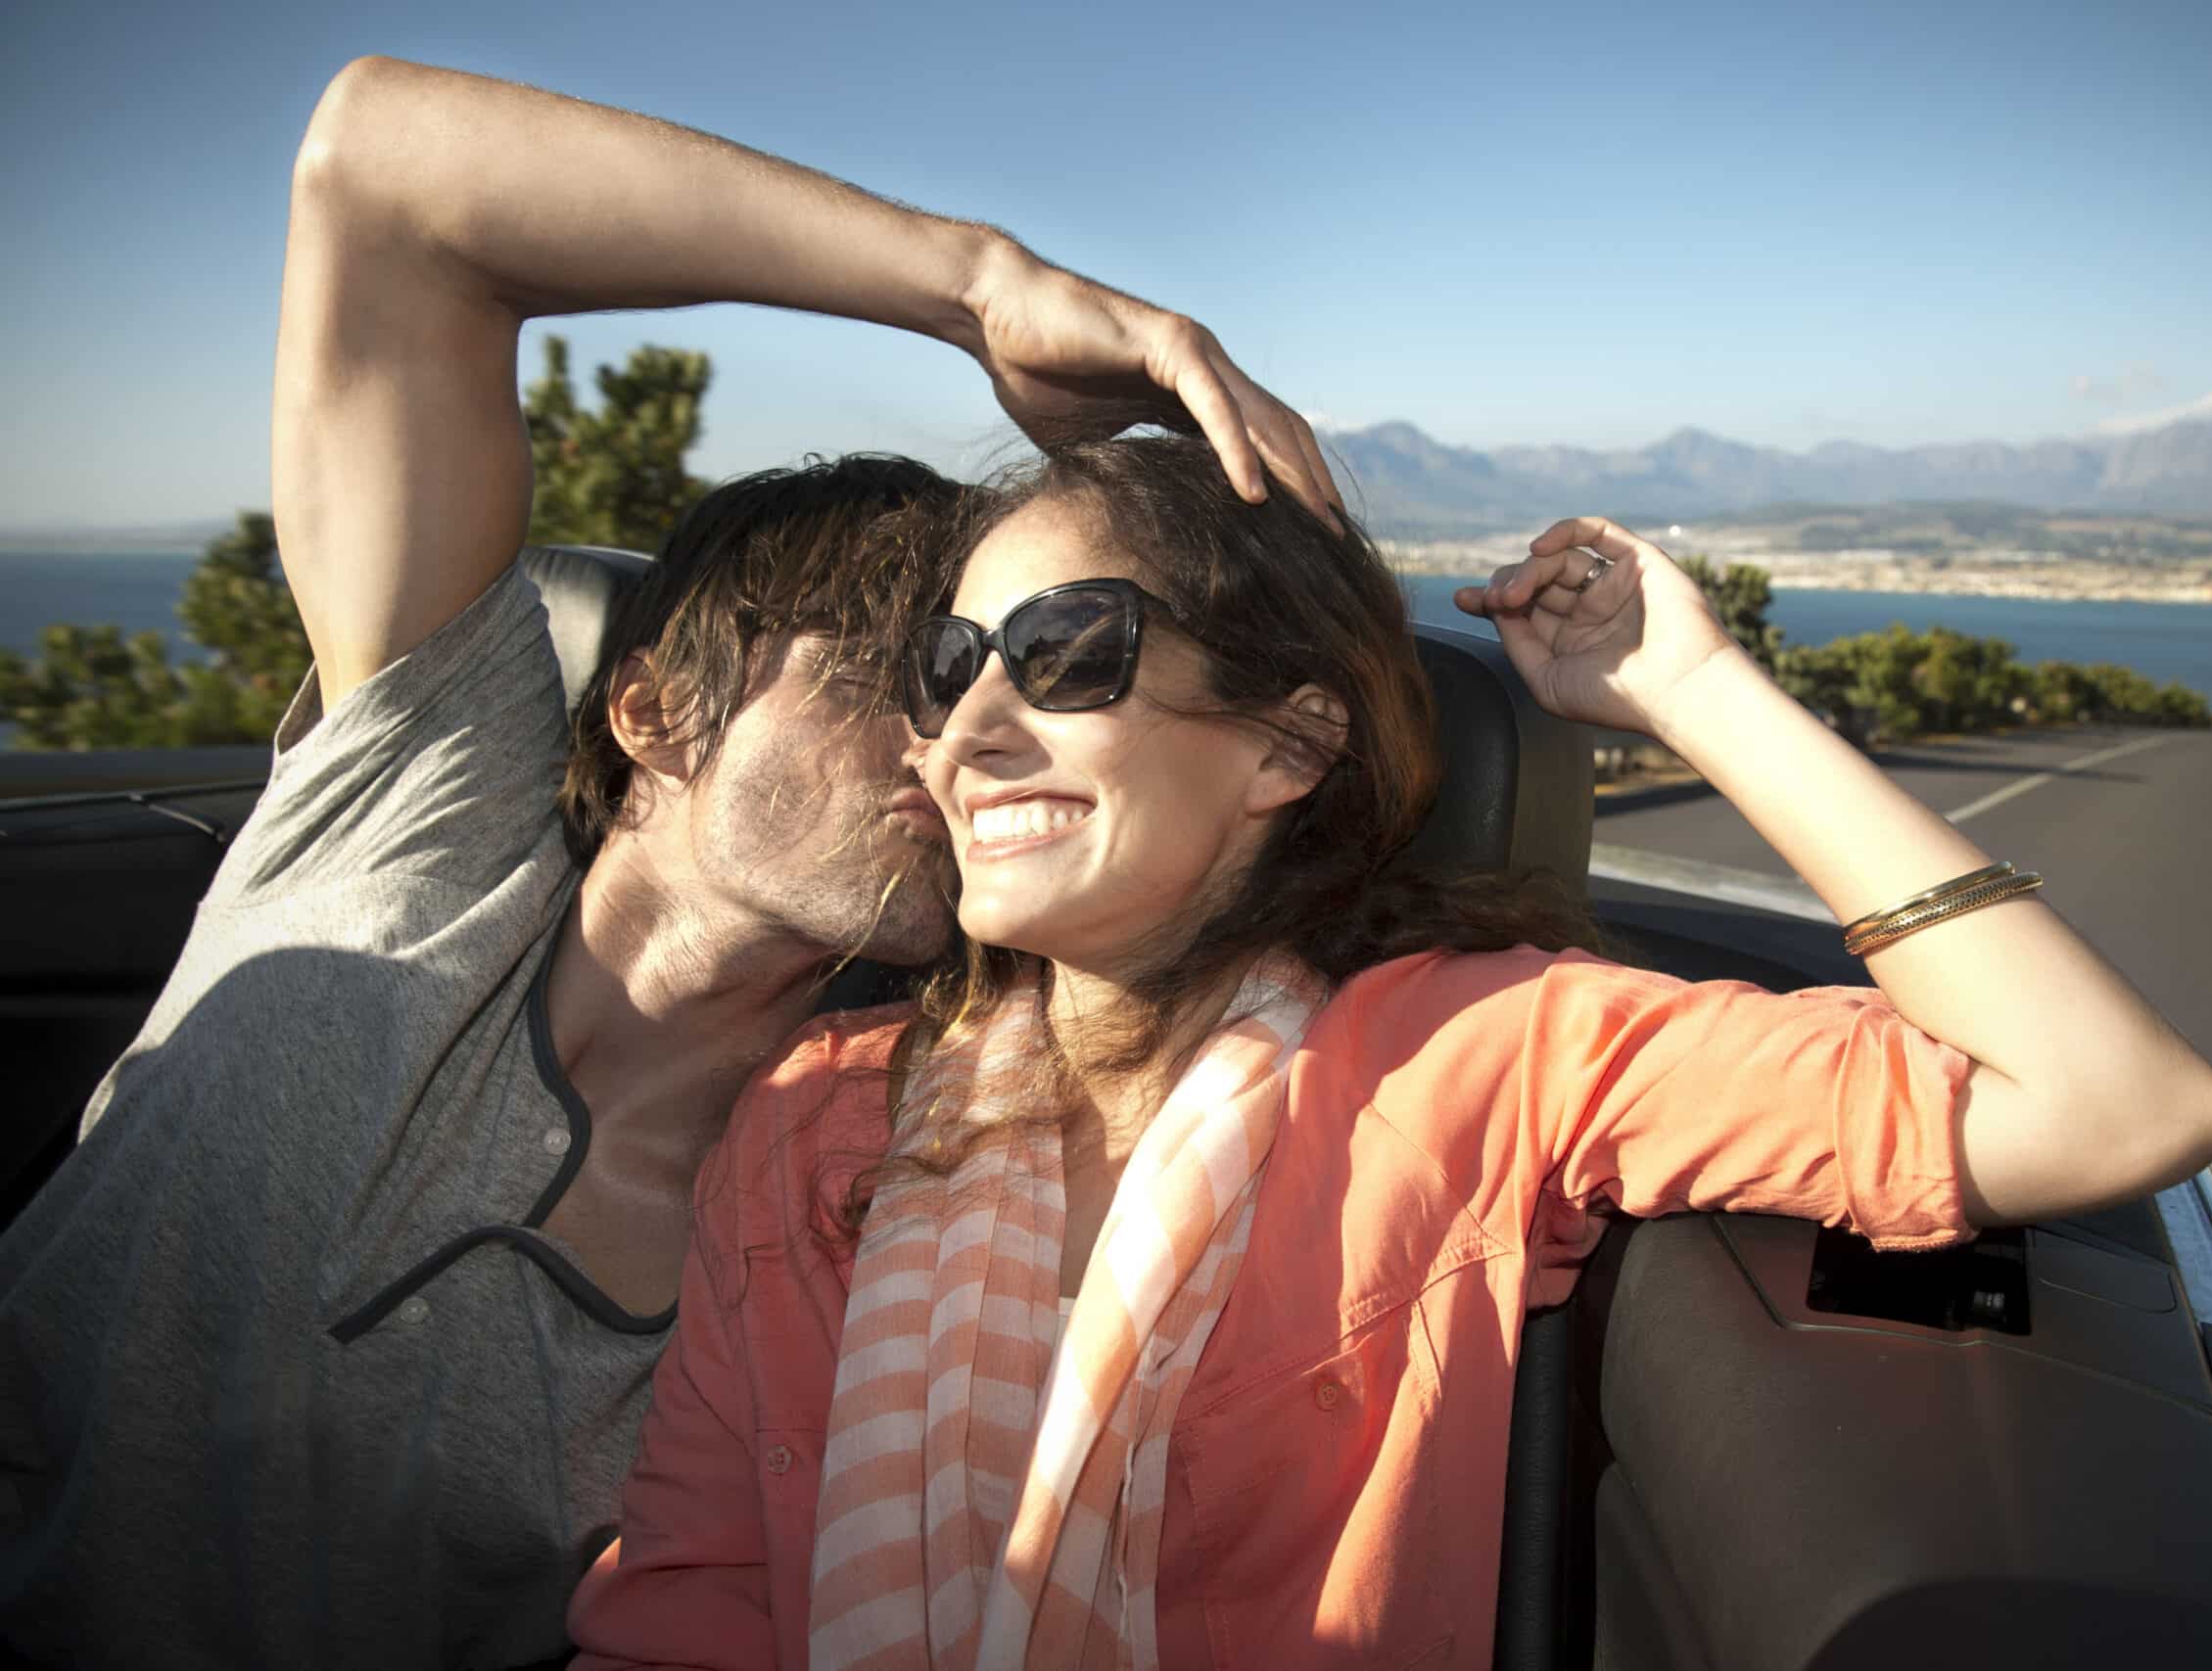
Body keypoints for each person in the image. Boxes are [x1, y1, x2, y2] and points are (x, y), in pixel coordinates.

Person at [0, 58, 1339, 1671]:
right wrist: (985, 285)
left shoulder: (876, 1190)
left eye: (990, 675)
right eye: (891, 672)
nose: (952, 743)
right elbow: (383, 170)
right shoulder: (420, 804)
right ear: (653, 709)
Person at [566, 434, 2212, 1669]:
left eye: (1070, 652)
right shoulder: (812, 1123)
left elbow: (2114, 1103)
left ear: (1288, 744)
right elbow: (686, 1608)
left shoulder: (1486, 1053)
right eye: (953, 669)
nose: (975, 729)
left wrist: (1694, 686)